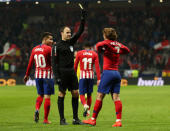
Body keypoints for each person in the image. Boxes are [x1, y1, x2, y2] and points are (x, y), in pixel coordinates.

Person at [83, 28, 130, 127]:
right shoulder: (118, 44)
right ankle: (118, 121)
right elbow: (127, 50)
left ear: (105, 35)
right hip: (116, 73)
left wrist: (107, 46)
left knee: (99, 96)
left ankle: (93, 119)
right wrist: (116, 49)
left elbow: (98, 46)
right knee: (116, 97)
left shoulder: (106, 43)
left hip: (108, 73)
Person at [52, 9, 87, 125]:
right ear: (61, 33)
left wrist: (82, 19)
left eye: (70, 32)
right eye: (67, 32)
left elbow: (80, 32)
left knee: (75, 93)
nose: (69, 34)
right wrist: (57, 77)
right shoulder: (56, 46)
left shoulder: (71, 42)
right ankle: (62, 119)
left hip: (71, 72)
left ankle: (75, 119)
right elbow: (54, 63)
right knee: (62, 94)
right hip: (62, 73)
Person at [24, 32, 54, 124]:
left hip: (37, 75)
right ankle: (45, 119)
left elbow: (30, 63)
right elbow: (53, 61)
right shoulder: (49, 49)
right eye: (50, 39)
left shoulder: (34, 49)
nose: (52, 41)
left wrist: (27, 75)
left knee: (40, 95)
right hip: (47, 76)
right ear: (45, 39)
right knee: (47, 97)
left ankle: (37, 109)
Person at [74, 43, 101, 117]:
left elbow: (75, 66)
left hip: (82, 76)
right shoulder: (94, 54)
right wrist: (99, 79)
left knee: (82, 93)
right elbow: (97, 67)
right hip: (91, 76)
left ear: (84, 47)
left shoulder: (79, 53)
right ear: (90, 47)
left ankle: (85, 105)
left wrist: (74, 76)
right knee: (89, 94)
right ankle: (88, 111)